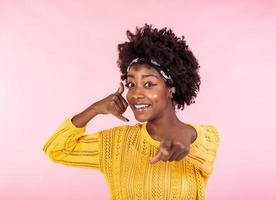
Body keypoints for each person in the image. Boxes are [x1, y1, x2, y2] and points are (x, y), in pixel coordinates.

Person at [43, 24, 220, 200]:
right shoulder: (114, 144)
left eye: (149, 84)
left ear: (171, 89)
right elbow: (57, 149)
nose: (136, 94)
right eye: (131, 84)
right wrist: (95, 108)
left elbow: (198, 140)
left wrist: (187, 135)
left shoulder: (205, 137)